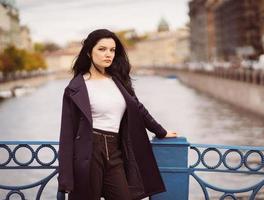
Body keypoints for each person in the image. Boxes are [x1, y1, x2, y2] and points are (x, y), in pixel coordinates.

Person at [57, 29, 178, 200]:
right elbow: (67, 134)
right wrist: (65, 179)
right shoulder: (75, 88)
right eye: (102, 49)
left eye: (112, 50)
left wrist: (161, 131)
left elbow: (138, 108)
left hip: (115, 152)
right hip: (89, 152)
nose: (108, 54)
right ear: (89, 52)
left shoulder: (118, 80)